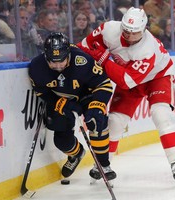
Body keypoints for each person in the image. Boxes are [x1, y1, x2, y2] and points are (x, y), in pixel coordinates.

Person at [78, 7, 175, 182]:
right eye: (126, 31)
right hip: (129, 75)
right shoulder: (109, 29)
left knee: (161, 114)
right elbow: (83, 48)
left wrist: (104, 59)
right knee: (114, 121)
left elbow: (125, 81)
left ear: (144, 29)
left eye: (134, 33)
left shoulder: (147, 49)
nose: (129, 36)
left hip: (157, 77)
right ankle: (103, 164)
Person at [28, 32, 116, 182]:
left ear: (68, 54)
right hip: (61, 99)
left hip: (86, 94)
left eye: (61, 61)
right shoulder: (37, 68)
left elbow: (104, 84)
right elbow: (42, 93)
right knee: (61, 141)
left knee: (96, 119)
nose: (57, 66)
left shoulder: (83, 61)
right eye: (53, 62)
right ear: (45, 57)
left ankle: (103, 164)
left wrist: (97, 104)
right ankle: (76, 153)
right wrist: (62, 103)